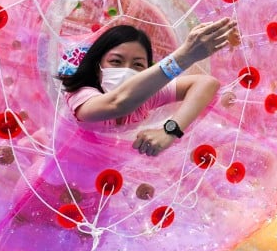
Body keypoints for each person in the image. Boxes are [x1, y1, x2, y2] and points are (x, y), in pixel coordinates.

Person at [60, 17, 238, 156]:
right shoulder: (80, 95)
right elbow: (118, 103)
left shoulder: (145, 98)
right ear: (97, 64)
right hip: (51, 185)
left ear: (147, 70)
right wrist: (184, 57)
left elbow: (207, 83)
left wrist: (170, 131)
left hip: (101, 191)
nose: (126, 70)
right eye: (116, 61)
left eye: (137, 65)